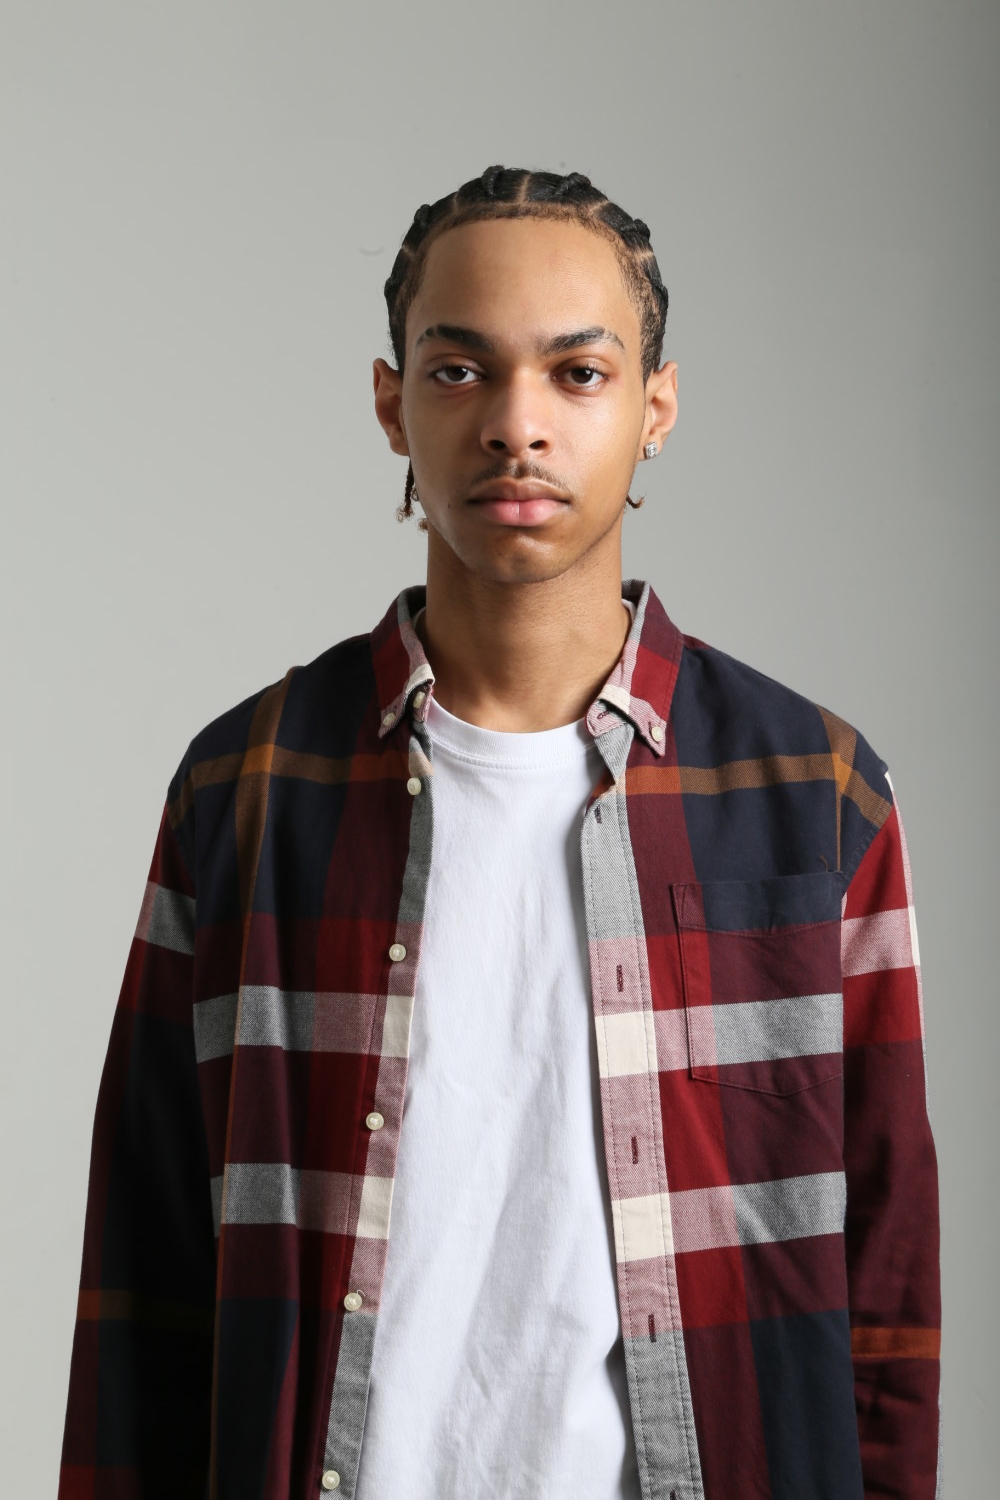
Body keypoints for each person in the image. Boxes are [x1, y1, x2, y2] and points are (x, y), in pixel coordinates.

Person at [58, 165, 941, 1500]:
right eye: (460, 371)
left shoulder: (814, 792)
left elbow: (886, 1290)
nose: (516, 426)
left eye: (578, 374)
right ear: (391, 403)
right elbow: (147, 1280)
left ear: (656, 408)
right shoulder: (247, 788)